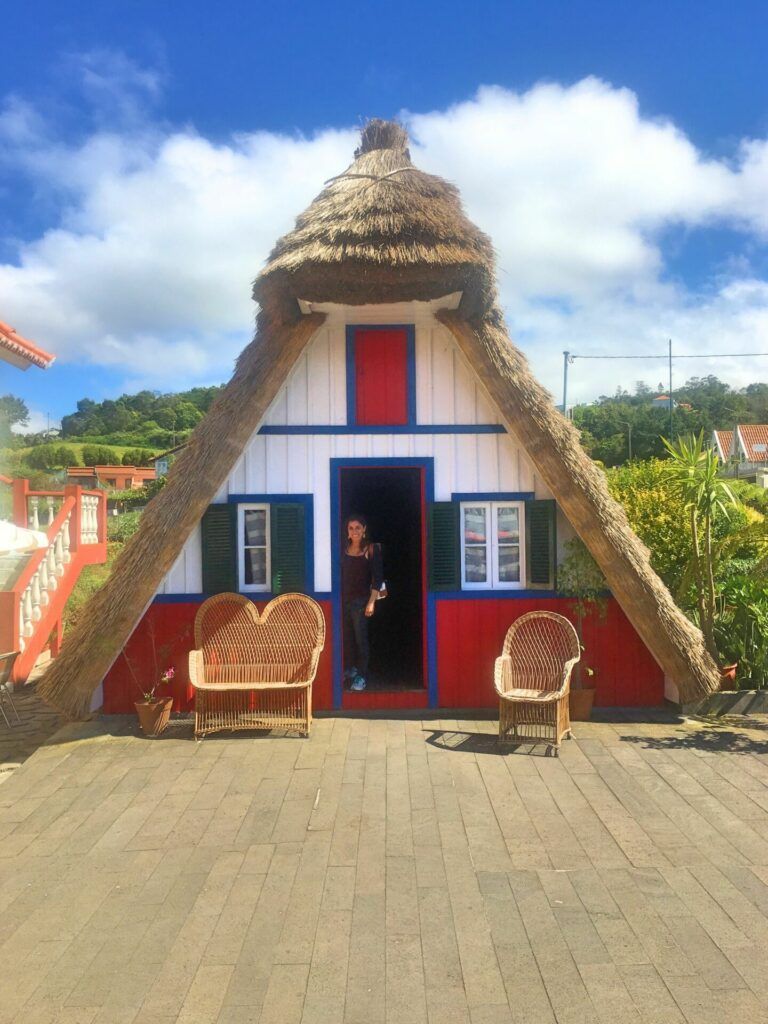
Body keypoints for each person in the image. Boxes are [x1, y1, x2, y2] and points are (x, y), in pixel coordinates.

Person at [341, 514, 383, 691]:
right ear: (347, 532)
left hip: (360, 602)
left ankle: (362, 676)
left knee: (361, 640)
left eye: (358, 527)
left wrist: (371, 602)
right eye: (351, 528)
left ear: (364, 529)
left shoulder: (371, 550)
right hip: (343, 601)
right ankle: (351, 669)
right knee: (347, 638)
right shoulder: (343, 550)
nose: (355, 531)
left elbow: (378, 578)